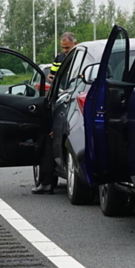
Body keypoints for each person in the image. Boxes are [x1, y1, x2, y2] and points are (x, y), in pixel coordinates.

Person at [33, 31, 78, 195]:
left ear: (75, 43)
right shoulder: (59, 58)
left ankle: (47, 183)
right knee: (48, 140)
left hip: (68, 101)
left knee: (51, 141)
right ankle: (47, 182)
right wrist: (54, 79)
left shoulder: (78, 57)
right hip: (60, 97)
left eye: (67, 47)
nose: (65, 51)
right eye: (63, 48)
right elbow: (51, 76)